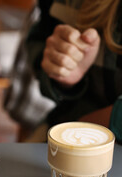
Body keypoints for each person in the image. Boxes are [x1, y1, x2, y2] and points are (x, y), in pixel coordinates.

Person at [26, 0, 122, 142]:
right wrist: (60, 70)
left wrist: (113, 119)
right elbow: (40, 37)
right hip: (65, 127)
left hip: (75, 131)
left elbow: (87, 126)